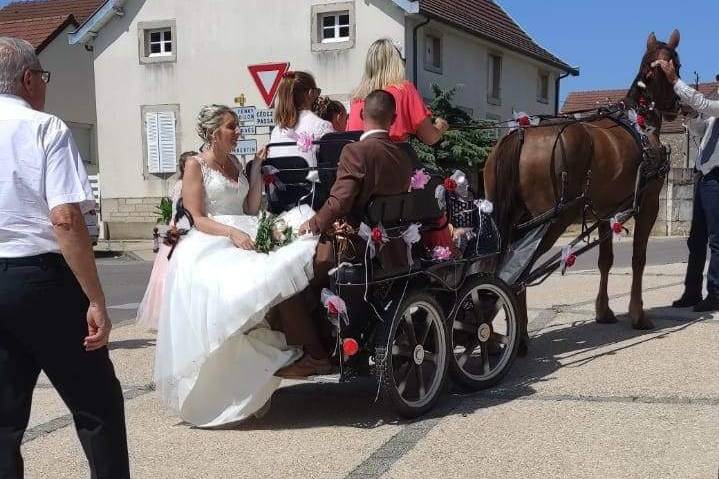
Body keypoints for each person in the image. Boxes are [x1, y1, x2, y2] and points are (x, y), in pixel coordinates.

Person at [0, 37, 129, 477]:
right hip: (41, 277)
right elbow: (66, 219)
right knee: (97, 406)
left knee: (3, 420)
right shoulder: (45, 128)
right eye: (44, 78)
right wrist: (95, 298)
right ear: (28, 79)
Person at [154, 105, 320, 427]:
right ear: (214, 132)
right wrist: (232, 233)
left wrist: (256, 170)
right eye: (232, 127)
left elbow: (250, 206)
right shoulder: (195, 165)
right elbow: (197, 217)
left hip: (246, 227)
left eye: (238, 126)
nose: (238, 132)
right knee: (237, 296)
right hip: (212, 238)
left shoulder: (234, 162)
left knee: (289, 252)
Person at [277, 91, 414, 378]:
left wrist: (314, 223)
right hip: (391, 248)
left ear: (362, 116)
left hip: (351, 249)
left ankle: (316, 355)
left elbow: (340, 200)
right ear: (394, 118)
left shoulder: (356, 151)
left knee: (288, 281)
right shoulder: (402, 155)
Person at [654, 59, 719, 312]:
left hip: (716, 178)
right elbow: (703, 130)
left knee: (716, 240)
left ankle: (715, 294)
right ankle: (692, 292)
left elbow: (703, 103)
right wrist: (690, 117)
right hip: (704, 177)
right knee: (696, 239)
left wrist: (674, 81)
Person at [136, 150, 197, 331]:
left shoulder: (178, 184)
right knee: (176, 273)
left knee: (166, 273)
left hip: (175, 230)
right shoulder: (184, 185)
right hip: (182, 230)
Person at [346, 38, 448, 144]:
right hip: (391, 157)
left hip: (359, 158)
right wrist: (441, 126)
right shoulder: (404, 90)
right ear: (397, 64)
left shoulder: (356, 98)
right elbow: (430, 137)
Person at [268, 71, 335, 175]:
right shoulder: (321, 126)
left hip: (281, 189)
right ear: (310, 94)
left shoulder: (276, 131)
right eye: (317, 91)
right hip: (312, 189)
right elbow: (331, 167)